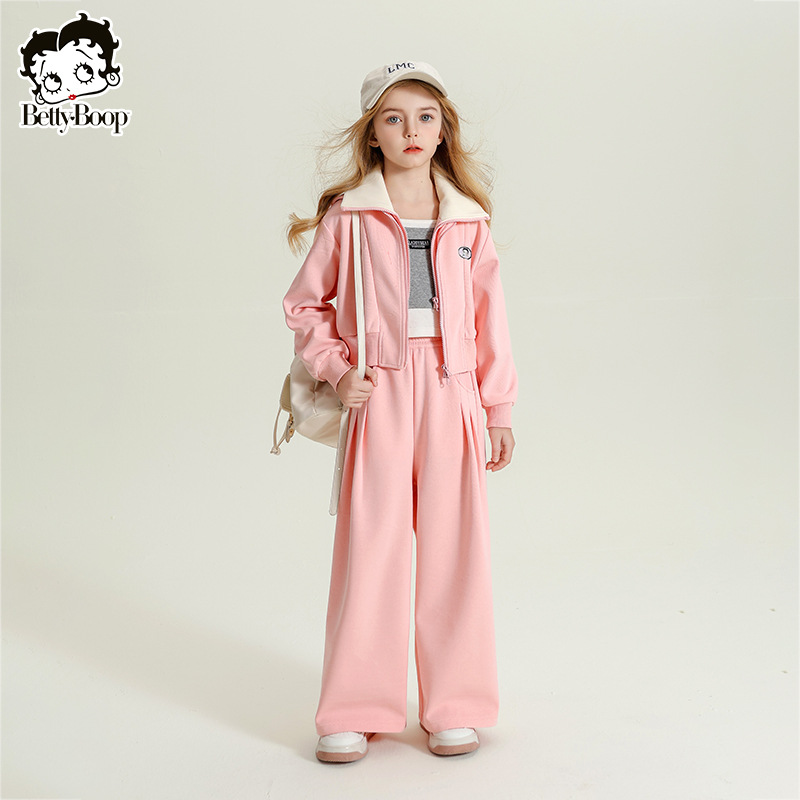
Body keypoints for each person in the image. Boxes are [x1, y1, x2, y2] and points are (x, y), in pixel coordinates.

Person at [282, 61, 518, 763]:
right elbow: (305, 304)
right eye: (393, 117)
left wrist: (498, 407)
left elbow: (491, 318)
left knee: (456, 550)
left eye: (424, 116)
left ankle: (456, 704)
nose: (410, 130)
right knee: (372, 548)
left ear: (443, 130)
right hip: (379, 390)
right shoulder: (349, 216)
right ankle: (355, 707)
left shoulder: (469, 221)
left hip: (454, 391)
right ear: (373, 134)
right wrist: (339, 368)